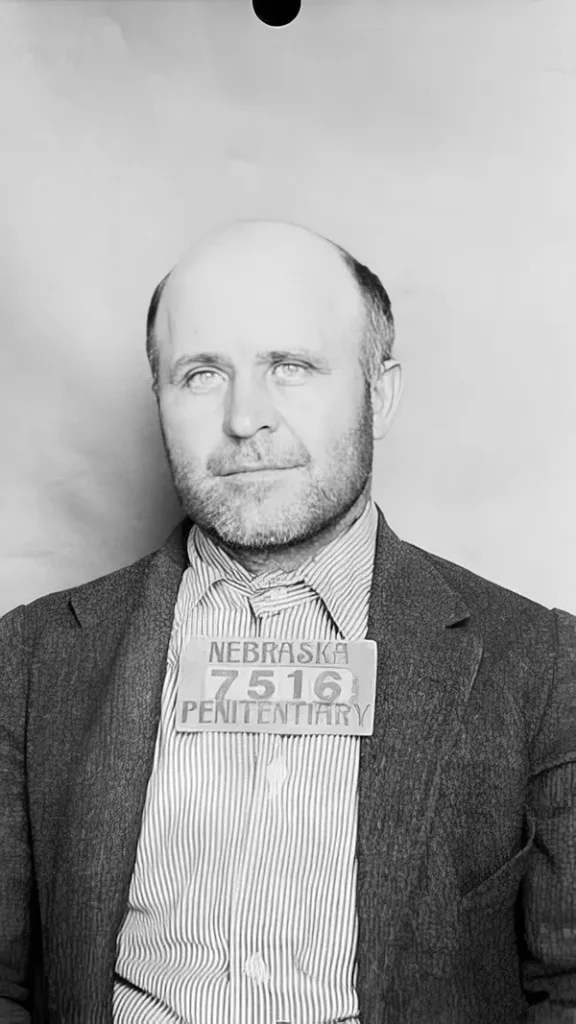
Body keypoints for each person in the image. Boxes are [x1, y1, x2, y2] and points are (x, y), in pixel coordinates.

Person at [0, 220, 575, 1024]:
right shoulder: (30, 659)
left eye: (292, 367)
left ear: (379, 394)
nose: (246, 419)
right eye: (202, 374)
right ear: (159, 397)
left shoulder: (542, 665)